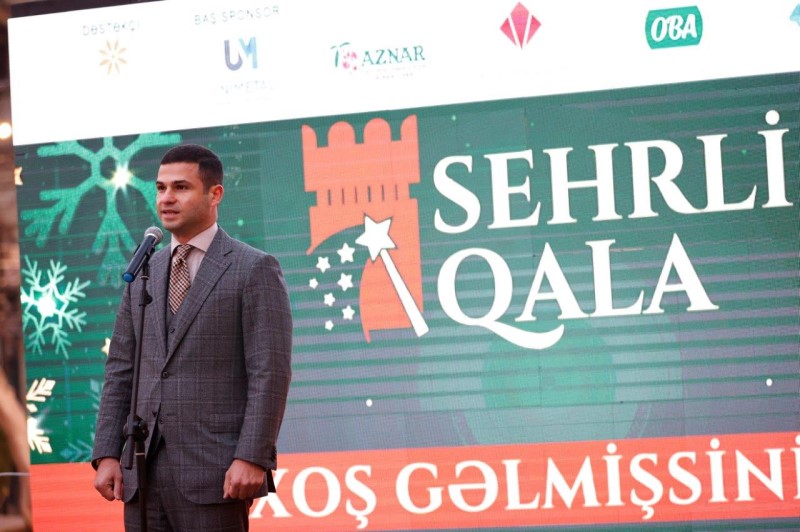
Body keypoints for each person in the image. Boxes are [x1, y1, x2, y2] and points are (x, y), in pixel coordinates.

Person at [91, 144, 293, 531]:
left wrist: (252, 456)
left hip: (215, 470)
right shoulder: (144, 269)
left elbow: (270, 372)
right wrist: (107, 454)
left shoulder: (253, 268)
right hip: (142, 471)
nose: (166, 198)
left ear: (215, 194)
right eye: (160, 188)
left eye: (181, 187)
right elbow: (121, 369)